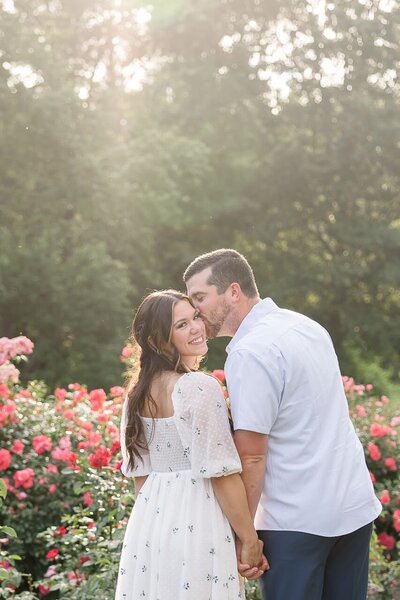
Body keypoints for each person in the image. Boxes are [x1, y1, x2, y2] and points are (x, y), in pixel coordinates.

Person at [184, 249, 382, 600]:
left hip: (297, 523)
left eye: (200, 297)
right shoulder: (306, 325)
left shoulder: (251, 352)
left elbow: (253, 458)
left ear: (233, 291)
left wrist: (242, 538)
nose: (195, 310)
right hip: (352, 507)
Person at [115, 289, 266, 600]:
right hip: (198, 520)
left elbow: (141, 479)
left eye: (194, 316)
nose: (197, 327)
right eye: (181, 325)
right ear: (158, 342)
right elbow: (221, 474)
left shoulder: (135, 397)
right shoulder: (197, 387)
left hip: (151, 526)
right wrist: (249, 540)